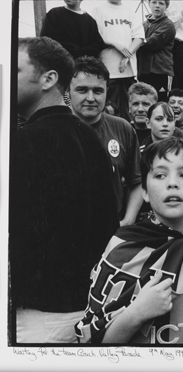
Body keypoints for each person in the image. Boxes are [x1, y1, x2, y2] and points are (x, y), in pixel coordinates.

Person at [11, 37, 118, 343]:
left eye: (16, 70)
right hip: (85, 309)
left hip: (36, 318)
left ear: (49, 79)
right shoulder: (89, 138)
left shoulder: (25, 143)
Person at [75, 137, 183, 344]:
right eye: (160, 175)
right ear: (145, 193)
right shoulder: (124, 247)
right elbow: (94, 343)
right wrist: (136, 313)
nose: (172, 183)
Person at [69, 56, 143, 226]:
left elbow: (136, 180)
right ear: (68, 90)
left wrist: (129, 219)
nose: (90, 97)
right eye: (82, 90)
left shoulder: (123, 128)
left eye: (97, 91)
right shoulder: (55, 129)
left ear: (107, 91)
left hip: (112, 227)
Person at [90, 0, 144, 121]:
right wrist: (114, 44)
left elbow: (139, 37)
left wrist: (127, 56)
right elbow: (94, 36)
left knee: (129, 113)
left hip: (128, 72)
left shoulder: (130, 12)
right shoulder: (97, 10)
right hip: (107, 71)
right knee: (109, 112)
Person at [137, 0, 176, 102]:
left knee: (161, 103)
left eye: (161, 3)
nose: (157, 6)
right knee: (145, 102)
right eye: (154, 2)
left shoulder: (168, 24)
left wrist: (136, 42)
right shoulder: (143, 24)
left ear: (166, 6)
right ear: (149, 4)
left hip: (161, 72)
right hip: (144, 72)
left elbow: (152, 43)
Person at [40, 0, 104, 59]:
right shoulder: (54, 14)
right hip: (60, 64)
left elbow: (98, 46)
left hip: (82, 67)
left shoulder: (90, 21)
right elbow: (47, 41)